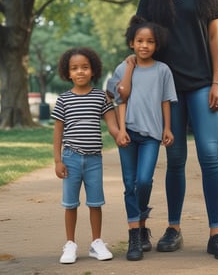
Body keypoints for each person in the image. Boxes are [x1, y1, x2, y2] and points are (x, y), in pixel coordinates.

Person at [136, 0, 218, 260]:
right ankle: (174, 228)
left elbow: (216, 40)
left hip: (204, 84)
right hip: (167, 90)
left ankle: (216, 233)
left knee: (209, 158)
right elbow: (140, 38)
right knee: (175, 160)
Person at [107, 15, 177, 261]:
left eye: (150, 42)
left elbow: (166, 101)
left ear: (156, 45)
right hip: (128, 134)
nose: (144, 45)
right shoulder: (122, 67)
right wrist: (129, 67)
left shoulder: (163, 70)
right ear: (131, 43)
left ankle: (142, 221)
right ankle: (135, 236)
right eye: (140, 41)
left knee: (144, 181)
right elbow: (121, 97)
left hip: (151, 136)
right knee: (130, 183)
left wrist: (167, 128)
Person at [52, 47, 119, 264]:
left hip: (93, 160)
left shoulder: (100, 97)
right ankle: (70, 244)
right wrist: (58, 160)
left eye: (85, 67)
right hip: (70, 158)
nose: (80, 71)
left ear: (93, 70)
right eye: (74, 68)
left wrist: (119, 135)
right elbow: (58, 132)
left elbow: (111, 123)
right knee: (70, 204)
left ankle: (96, 243)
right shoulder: (63, 100)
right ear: (67, 73)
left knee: (95, 202)